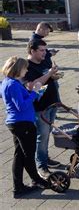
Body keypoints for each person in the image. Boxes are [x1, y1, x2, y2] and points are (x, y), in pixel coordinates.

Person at [1, 57, 50, 198]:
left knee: (19, 155)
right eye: (25, 68)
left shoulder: (7, 82)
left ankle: (18, 187)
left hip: (16, 123)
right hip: (22, 124)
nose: (27, 70)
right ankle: (37, 180)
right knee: (28, 155)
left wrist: (28, 92)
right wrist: (34, 92)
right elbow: (21, 106)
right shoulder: (13, 85)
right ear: (18, 69)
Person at [24, 39, 61, 179]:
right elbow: (32, 85)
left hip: (52, 104)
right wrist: (50, 73)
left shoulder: (44, 60)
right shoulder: (26, 66)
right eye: (41, 50)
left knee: (47, 134)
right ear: (32, 51)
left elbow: (48, 78)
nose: (45, 53)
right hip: (40, 108)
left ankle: (45, 158)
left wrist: (54, 75)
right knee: (42, 136)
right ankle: (41, 166)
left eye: (45, 50)